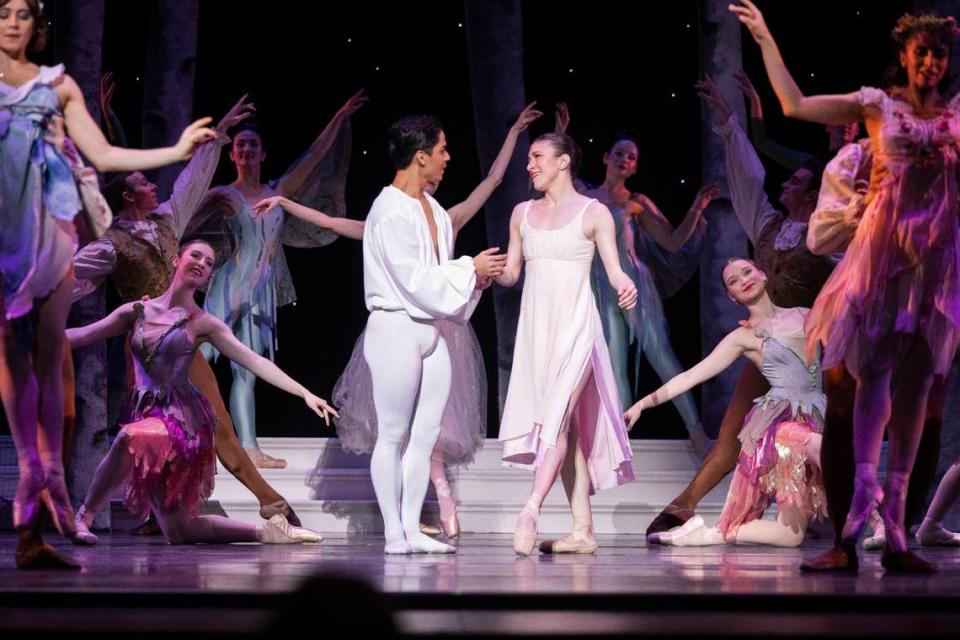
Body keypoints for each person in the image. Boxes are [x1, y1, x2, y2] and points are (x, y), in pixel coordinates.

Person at [732, 0, 960, 571]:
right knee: (853, 394)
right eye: (921, 52)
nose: (930, 62)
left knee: (919, 401)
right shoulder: (874, 119)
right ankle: (848, 532)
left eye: (940, 53)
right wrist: (764, 39)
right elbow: (796, 106)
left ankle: (901, 534)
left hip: (931, 276)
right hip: (875, 269)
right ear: (905, 57)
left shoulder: (956, 118)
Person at [0, 0, 215, 568]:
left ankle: (41, 525)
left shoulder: (58, 86)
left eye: (24, 13)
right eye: (3, 12)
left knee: (64, 403)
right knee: (24, 382)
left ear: (38, 27)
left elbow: (103, 153)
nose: (14, 22)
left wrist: (176, 149)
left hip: (47, 237)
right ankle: (43, 499)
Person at [68, 239, 333, 545]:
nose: (203, 264)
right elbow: (83, 334)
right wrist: (33, 337)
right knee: (180, 531)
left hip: (182, 423)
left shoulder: (204, 323)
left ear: (208, 277)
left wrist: (304, 393)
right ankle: (267, 532)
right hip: (149, 417)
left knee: (130, 437)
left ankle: (83, 517)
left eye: (209, 263)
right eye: (196, 256)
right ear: (176, 261)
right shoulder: (137, 311)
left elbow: (255, 360)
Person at [195, 90, 367, 468]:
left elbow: (314, 156)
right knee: (199, 359)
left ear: (263, 153)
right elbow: (186, 208)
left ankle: (250, 447)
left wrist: (339, 116)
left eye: (252, 144)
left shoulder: (278, 192)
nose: (246, 150)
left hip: (259, 295)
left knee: (248, 369)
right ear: (232, 154)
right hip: (228, 287)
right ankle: (191, 438)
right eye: (240, 145)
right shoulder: (224, 194)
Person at [361, 115, 504, 553]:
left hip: (433, 331)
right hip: (395, 327)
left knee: (425, 438)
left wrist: (472, 283)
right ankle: (392, 534)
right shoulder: (387, 210)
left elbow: (438, 276)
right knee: (391, 434)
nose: (447, 158)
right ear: (420, 156)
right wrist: (468, 268)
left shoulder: (436, 212)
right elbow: (413, 279)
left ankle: (412, 528)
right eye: (441, 150)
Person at [497, 133, 637, 555]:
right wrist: (484, 273)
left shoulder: (595, 214)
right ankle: (583, 531)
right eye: (528, 158)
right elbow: (511, 274)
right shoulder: (522, 213)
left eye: (536, 157)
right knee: (568, 433)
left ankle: (531, 508)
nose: (530, 165)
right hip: (537, 333)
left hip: (578, 327)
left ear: (563, 162)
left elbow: (612, 269)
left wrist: (624, 281)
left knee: (554, 422)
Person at [626, 258, 825, 547]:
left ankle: (706, 534)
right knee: (822, 447)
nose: (743, 279)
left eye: (747, 271)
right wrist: (642, 404)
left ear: (763, 275)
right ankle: (878, 522)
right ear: (732, 296)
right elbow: (690, 377)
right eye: (733, 281)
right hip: (782, 427)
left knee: (790, 536)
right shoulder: (743, 337)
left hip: (816, 415)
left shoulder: (806, 315)